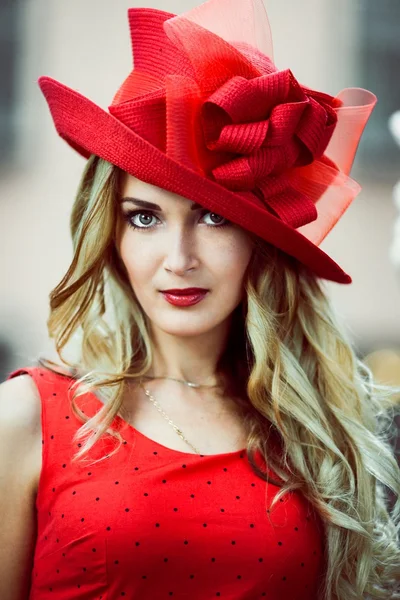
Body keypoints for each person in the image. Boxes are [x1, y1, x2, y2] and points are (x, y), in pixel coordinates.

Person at [1, 0, 399, 599]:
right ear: (109, 234)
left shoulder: (318, 430)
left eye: (213, 217)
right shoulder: (28, 415)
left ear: (260, 241)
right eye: (144, 218)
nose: (179, 258)